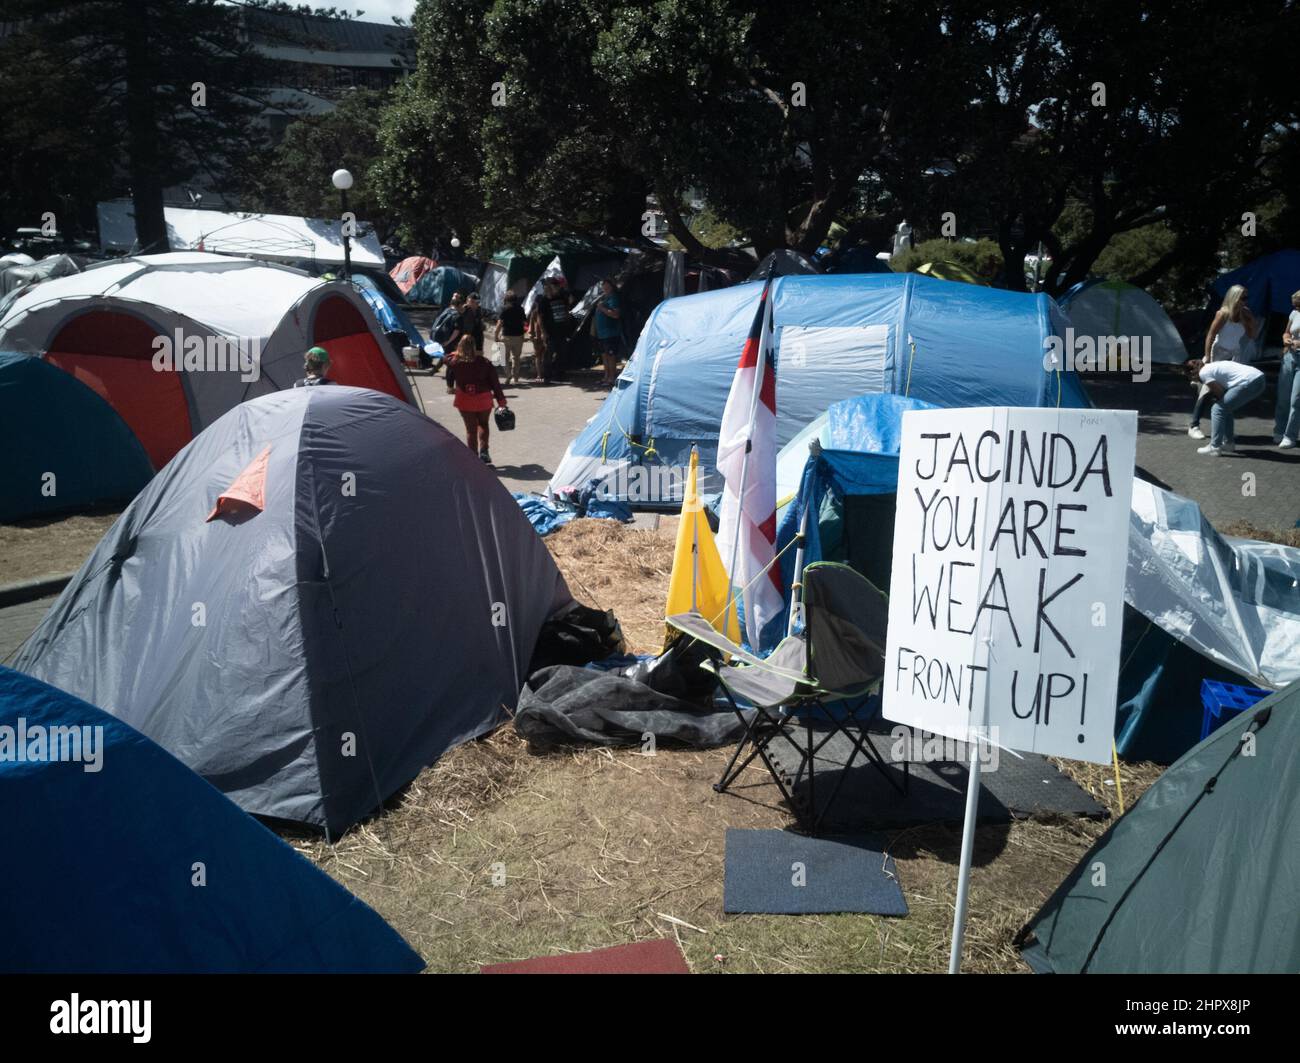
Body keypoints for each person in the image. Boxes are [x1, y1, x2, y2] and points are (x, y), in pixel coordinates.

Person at [1189, 285, 1257, 440]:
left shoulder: (1244, 314)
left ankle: (1226, 432)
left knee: (1227, 395)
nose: (1245, 301)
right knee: (1207, 391)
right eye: (1243, 297)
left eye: (1247, 297)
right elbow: (1210, 336)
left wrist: (1250, 319)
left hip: (1234, 357)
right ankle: (1194, 426)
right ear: (1234, 297)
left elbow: (1253, 335)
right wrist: (1209, 361)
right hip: (1217, 354)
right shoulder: (1223, 314)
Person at [445, 334, 507, 464]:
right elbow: (495, 384)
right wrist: (501, 401)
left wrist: (457, 353)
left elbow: (446, 359)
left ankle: (473, 457)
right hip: (483, 399)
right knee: (483, 424)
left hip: (464, 399)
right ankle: (484, 451)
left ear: (459, 346)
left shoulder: (454, 361)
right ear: (474, 346)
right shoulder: (485, 362)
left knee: (470, 429)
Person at [1189, 357, 1265, 456]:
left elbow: (1220, 394)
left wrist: (1218, 398)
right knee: (1225, 408)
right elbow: (1223, 394)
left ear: (1192, 372)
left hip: (1248, 381)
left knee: (1217, 409)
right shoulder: (1212, 366)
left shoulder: (1203, 373)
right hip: (1259, 377)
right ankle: (1229, 443)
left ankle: (1215, 447)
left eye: (1190, 377)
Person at [1273, 289, 1300, 449]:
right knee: (1283, 396)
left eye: (1298, 306)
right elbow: (1286, 332)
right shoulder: (1294, 313)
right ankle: (1279, 430)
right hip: (1289, 357)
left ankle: (1290, 436)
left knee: (1296, 400)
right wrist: (1286, 339)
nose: (1296, 308)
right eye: (1295, 306)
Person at [591, 277, 622, 386]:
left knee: (610, 356)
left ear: (612, 287)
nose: (605, 288)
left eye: (608, 286)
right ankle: (606, 377)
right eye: (604, 287)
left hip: (611, 333)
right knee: (604, 356)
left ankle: (612, 378)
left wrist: (602, 308)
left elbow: (615, 314)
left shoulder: (613, 298)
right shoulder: (604, 298)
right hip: (601, 334)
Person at [494, 291, 527, 385]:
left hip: (506, 336)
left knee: (503, 357)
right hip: (518, 336)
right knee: (516, 357)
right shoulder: (521, 309)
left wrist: (496, 335)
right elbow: (524, 323)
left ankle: (508, 375)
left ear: (506, 300)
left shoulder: (504, 309)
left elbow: (500, 323)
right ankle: (515, 377)